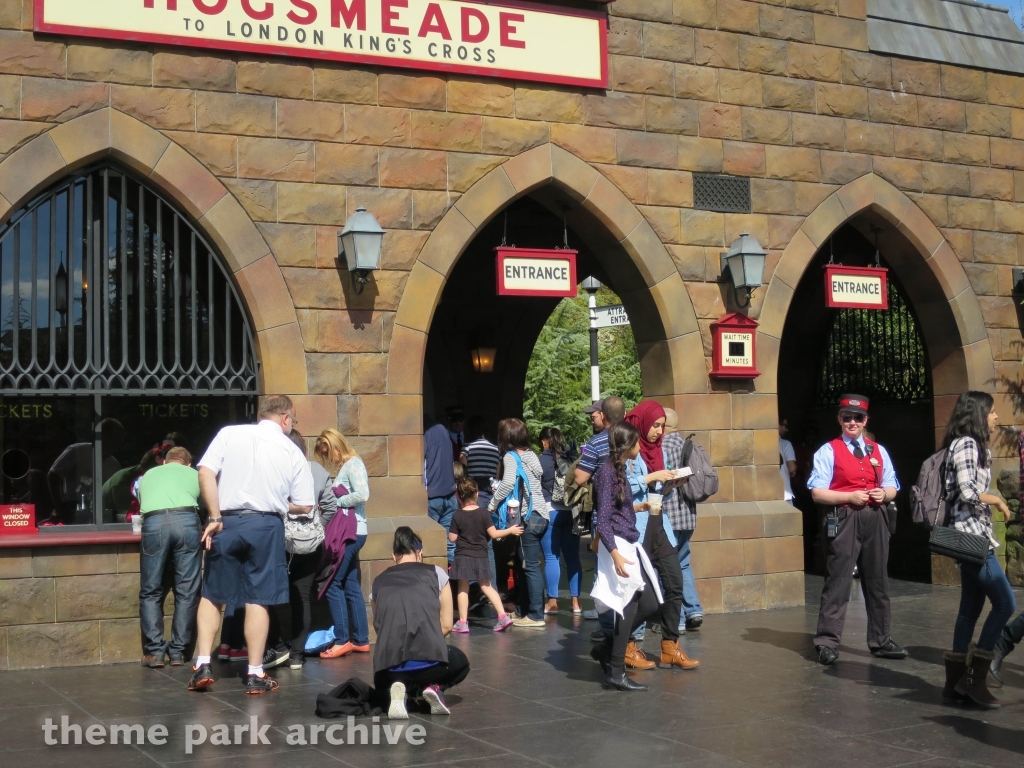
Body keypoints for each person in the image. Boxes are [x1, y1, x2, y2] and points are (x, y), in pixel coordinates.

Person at [188, 395, 315, 695]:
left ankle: (203, 664)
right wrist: (280, 503)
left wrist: (215, 515)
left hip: (227, 521)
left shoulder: (229, 433)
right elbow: (306, 504)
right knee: (259, 597)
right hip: (266, 525)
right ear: (285, 419)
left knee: (212, 593)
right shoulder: (292, 451)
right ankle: (256, 672)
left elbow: (204, 471)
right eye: (293, 421)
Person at [808, 394, 905, 666]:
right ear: (840, 419)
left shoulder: (878, 450)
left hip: (875, 517)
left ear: (865, 421)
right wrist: (848, 497)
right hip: (845, 518)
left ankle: (881, 639)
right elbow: (817, 493)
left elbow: (892, 486)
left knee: (877, 579)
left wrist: (882, 494)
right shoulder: (828, 451)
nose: (852, 422)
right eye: (847, 417)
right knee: (838, 580)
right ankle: (827, 641)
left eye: (858, 418)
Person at [940, 392, 1016, 708]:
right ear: (979, 413)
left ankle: (955, 683)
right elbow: (969, 492)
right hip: (968, 536)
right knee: (1005, 602)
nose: (997, 417)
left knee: (969, 609)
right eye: (992, 412)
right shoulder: (967, 445)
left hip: (971, 534)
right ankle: (974, 679)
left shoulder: (973, 445)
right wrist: (997, 499)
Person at [622, 402, 698, 671]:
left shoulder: (659, 451)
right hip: (638, 528)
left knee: (675, 583)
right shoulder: (631, 448)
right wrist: (652, 476)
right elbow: (621, 487)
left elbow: (656, 492)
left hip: (660, 526)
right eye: (655, 425)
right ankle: (626, 646)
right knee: (639, 592)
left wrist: (671, 485)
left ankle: (670, 646)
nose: (659, 431)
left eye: (662, 426)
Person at [589, 422, 665, 691]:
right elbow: (604, 519)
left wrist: (637, 506)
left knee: (650, 603)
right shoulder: (607, 472)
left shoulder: (618, 471)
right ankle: (616, 670)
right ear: (626, 445)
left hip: (627, 542)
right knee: (632, 603)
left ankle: (609, 650)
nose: (639, 446)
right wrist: (615, 555)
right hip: (619, 545)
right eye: (636, 442)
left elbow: (615, 507)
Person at [372, 527, 470, 719]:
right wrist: (425, 637)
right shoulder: (437, 573)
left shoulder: (378, 581)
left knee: (392, 679)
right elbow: (448, 625)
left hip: (387, 668)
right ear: (420, 553)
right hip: (431, 664)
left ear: (394, 556)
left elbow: (379, 627)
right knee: (461, 661)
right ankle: (433, 687)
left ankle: (400, 691)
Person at [272, 429, 339, 670]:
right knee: (302, 598)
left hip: (282, 543)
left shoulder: (276, 469)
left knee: (274, 596)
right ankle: (297, 656)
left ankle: (278, 648)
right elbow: (331, 507)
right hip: (312, 545)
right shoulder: (318, 471)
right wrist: (316, 527)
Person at [136, 446, 202, 668]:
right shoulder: (196, 474)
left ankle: (154, 652)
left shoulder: (148, 474)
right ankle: (178, 652)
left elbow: (140, 497)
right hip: (187, 521)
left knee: (151, 590)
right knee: (187, 590)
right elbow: (206, 502)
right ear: (188, 464)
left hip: (154, 523)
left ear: (164, 462)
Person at [488, 418, 550, 628]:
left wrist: (493, 503)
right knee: (524, 562)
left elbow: (506, 484)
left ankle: (535, 615)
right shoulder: (532, 455)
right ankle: (523, 610)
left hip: (528, 515)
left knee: (529, 565)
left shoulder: (511, 456)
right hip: (542, 515)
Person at [316, 428, 371, 659]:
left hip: (352, 532)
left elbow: (362, 494)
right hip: (354, 530)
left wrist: (336, 502)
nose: (329, 458)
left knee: (332, 583)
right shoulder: (348, 466)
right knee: (349, 583)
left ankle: (342, 640)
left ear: (336, 446)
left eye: (328, 452)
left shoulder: (353, 464)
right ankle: (360, 639)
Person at [572, 396, 625, 626]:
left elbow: (580, 477)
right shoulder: (632, 437)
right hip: (631, 511)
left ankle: (605, 626)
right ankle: (631, 625)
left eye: (594, 416)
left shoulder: (597, 442)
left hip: (604, 511)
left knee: (603, 565)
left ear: (603, 415)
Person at [448, 476, 521, 633]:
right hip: (481, 556)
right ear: (477, 494)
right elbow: (494, 534)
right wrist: (511, 530)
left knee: (463, 588)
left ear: (459, 497)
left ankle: (462, 622)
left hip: (463, 557)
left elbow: (452, 538)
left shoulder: (457, 515)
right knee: (487, 586)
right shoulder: (483, 514)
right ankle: (502, 616)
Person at [662, 408, 707, 633]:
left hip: (668, 517)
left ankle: (677, 619)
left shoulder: (663, 447)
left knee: (668, 569)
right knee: (684, 563)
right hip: (688, 515)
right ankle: (694, 610)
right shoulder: (687, 445)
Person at [538, 426, 583, 615]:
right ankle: (576, 603)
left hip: (551, 511)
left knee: (551, 557)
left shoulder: (541, 461)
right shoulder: (572, 458)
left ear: (544, 442)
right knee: (573, 557)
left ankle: (553, 603)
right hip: (572, 512)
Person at [425, 422, 458, 564]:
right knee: (450, 545)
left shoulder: (424, 432)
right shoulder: (443, 430)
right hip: (449, 494)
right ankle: (466, 583)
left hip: (432, 496)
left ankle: (436, 583)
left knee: (430, 544)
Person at [779, 419, 797, 505]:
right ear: (777, 425)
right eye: (785, 426)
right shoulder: (785, 444)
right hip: (784, 494)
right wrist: (794, 470)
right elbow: (792, 468)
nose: (787, 430)